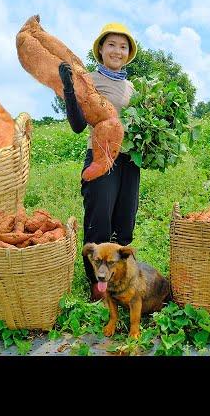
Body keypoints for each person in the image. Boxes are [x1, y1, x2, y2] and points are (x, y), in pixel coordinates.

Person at [58, 22, 139, 302]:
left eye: (123, 46)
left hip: (129, 162)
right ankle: (97, 287)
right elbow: (78, 125)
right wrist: (69, 89)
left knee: (124, 222)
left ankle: (119, 281)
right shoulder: (89, 81)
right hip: (101, 158)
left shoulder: (132, 88)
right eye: (112, 45)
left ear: (128, 53)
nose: (117, 51)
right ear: (101, 50)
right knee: (99, 223)